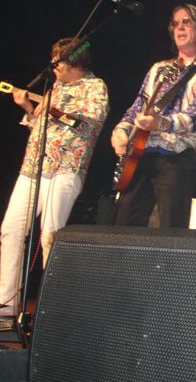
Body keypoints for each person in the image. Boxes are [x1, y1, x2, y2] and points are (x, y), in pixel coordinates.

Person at [0, 38, 109, 330]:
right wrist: (27, 106)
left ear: (77, 63)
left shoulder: (95, 87)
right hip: (34, 167)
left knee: (50, 236)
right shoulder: (55, 86)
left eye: (59, 61)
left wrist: (54, 112)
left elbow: (88, 123)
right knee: (10, 230)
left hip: (66, 168)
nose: (55, 66)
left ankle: (51, 314)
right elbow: (40, 125)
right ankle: (5, 309)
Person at [111, 3, 196, 229]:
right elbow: (138, 106)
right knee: (125, 225)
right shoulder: (158, 68)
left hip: (178, 155)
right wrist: (120, 131)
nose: (180, 27)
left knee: (171, 228)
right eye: (175, 23)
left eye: (186, 22)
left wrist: (160, 123)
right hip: (141, 153)